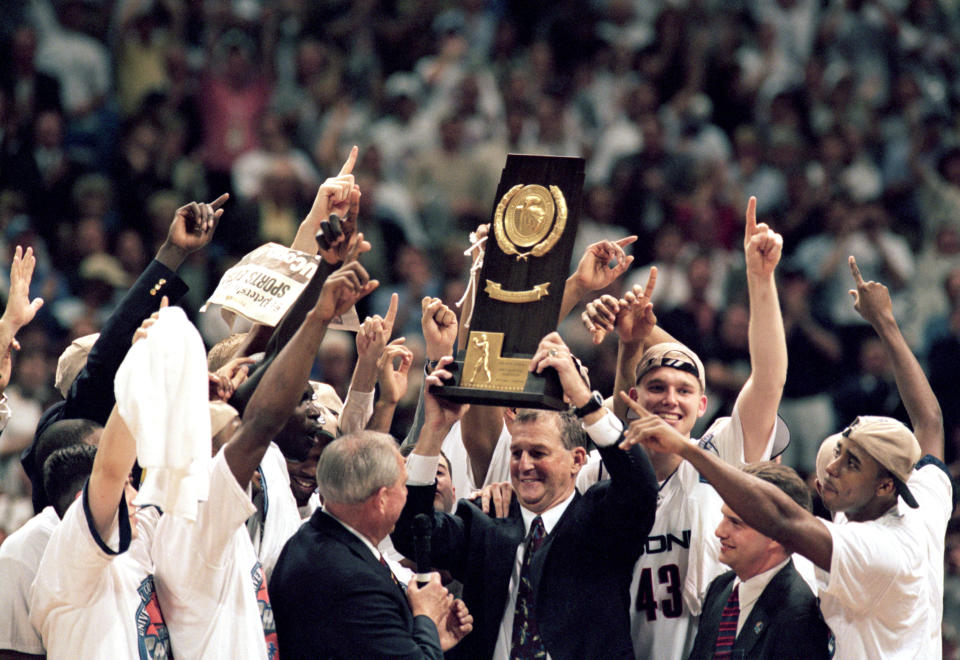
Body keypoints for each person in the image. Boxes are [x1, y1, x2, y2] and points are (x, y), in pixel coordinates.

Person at [621, 257, 952, 659]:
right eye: (841, 451)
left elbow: (781, 521)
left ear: (885, 485)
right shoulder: (922, 501)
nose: (831, 466)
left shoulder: (879, 549)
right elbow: (930, 420)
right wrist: (884, 322)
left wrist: (687, 449)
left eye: (851, 464)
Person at [579, 196, 789, 660]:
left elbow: (770, 378)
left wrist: (760, 277)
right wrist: (628, 337)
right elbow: (618, 431)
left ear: (703, 404)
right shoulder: (595, 471)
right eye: (656, 387)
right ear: (635, 397)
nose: (669, 399)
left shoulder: (719, 451)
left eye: (682, 390)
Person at [152, 244, 380, 659]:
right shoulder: (196, 506)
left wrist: (322, 275)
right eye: (299, 396)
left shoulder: (269, 464)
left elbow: (272, 358)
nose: (311, 410)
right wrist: (318, 312)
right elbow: (261, 415)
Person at [392, 332, 658, 660]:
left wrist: (585, 401)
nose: (524, 465)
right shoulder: (485, 518)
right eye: (517, 452)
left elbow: (641, 487)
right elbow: (409, 534)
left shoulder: (601, 519)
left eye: (538, 452)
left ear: (577, 460)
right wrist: (433, 430)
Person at [24, 193, 228, 513]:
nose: (135, 357)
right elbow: (108, 354)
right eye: (127, 357)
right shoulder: (80, 418)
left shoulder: (143, 432)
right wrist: (171, 252)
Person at [268, 431, 474, 659]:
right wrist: (425, 616)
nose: (407, 495)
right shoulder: (353, 579)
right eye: (404, 485)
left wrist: (430, 638)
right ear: (382, 499)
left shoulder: (309, 538)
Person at [688, 462, 830, 659]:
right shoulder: (719, 589)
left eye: (736, 523)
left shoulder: (801, 615)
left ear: (777, 535)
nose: (719, 531)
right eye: (724, 517)